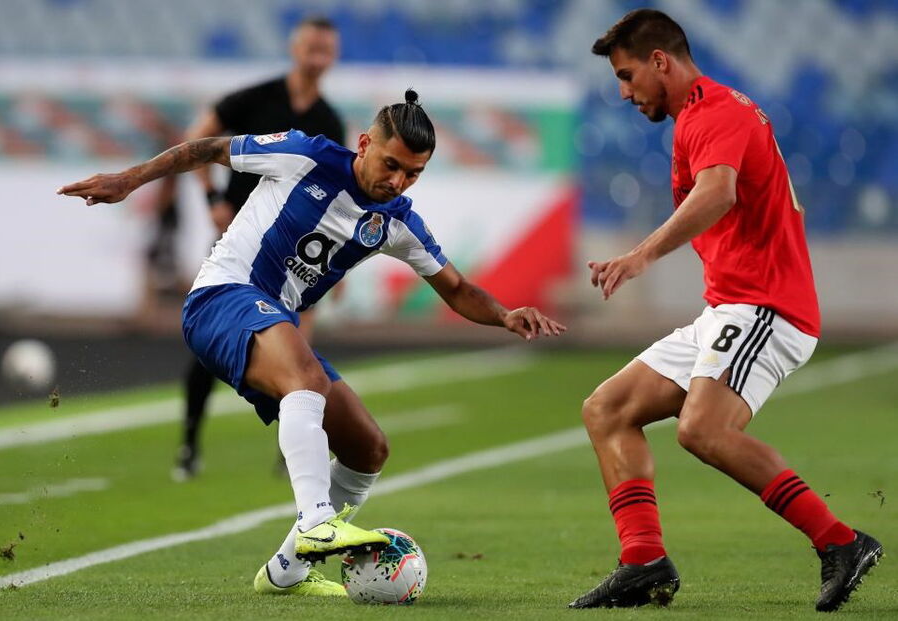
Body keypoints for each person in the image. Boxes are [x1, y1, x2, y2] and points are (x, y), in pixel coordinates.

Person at [58, 89, 566, 597]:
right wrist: (129, 180)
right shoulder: (305, 155)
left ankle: (286, 572)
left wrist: (504, 315)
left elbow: (454, 287)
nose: (397, 181)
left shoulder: (396, 221)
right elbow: (207, 148)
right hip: (222, 296)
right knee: (307, 380)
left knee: (368, 448)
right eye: (391, 164)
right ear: (365, 143)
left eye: (413, 174)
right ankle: (316, 521)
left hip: (273, 322)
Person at [568, 10, 882, 612]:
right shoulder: (704, 116)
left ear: (662, 61)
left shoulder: (716, 112)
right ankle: (643, 562)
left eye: (628, 75)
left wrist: (639, 256)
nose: (623, 92)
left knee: (703, 429)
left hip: (767, 307)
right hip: (729, 308)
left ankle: (842, 542)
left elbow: (720, 191)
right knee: (607, 409)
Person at [175, 15, 346, 480]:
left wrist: (338, 265)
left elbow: (339, 195)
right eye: (311, 47)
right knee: (211, 345)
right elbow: (198, 140)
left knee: (299, 350)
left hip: (293, 252)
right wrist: (212, 198)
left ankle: (292, 453)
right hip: (239, 240)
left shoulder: (328, 120)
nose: (317, 57)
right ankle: (189, 446)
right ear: (295, 48)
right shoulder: (255, 98)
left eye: (326, 50)